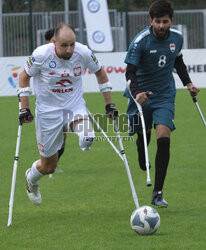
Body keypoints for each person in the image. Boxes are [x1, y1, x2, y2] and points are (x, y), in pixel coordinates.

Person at [18, 23, 118, 205]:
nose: (69, 49)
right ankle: (31, 180)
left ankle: (85, 139)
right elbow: (24, 77)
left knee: (87, 136)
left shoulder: (84, 52)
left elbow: (101, 74)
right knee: (49, 167)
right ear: (54, 42)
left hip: (74, 107)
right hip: (48, 112)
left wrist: (109, 104)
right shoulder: (41, 54)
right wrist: (24, 108)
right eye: (64, 45)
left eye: (72, 44)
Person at [124, 0, 199, 207]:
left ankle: (158, 192)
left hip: (165, 95)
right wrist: (137, 92)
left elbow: (177, 61)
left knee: (164, 136)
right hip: (141, 95)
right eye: (157, 21)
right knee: (143, 138)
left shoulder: (177, 38)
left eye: (165, 21)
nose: (161, 26)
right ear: (151, 21)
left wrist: (189, 83)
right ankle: (141, 151)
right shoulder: (141, 41)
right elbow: (129, 72)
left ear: (171, 21)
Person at [45, 28, 65, 174]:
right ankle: (49, 163)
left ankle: (55, 163)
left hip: (66, 104)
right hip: (49, 108)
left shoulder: (64, 56)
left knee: (63, 137)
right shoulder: (42, 55)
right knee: (52, 139)